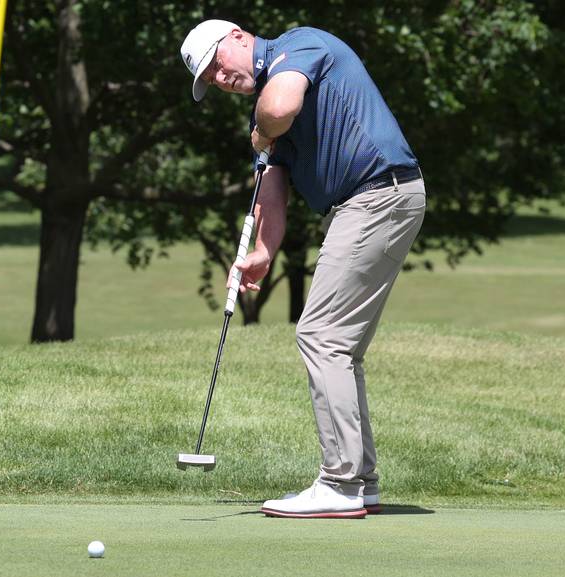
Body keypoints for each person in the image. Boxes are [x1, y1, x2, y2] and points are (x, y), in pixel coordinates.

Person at [180, 20, 426, 518]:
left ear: (238, 37)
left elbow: (279, 108)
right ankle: (361, 481)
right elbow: (273, 184)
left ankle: (339, 482)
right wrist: (263, 253)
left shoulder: (298, 47)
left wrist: (260, 133)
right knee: (340, 346)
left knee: (321, 336)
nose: (220, 79)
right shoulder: (265, 111)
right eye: (210, 79)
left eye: (217, 65)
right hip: (368, 202)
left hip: (377, 195)